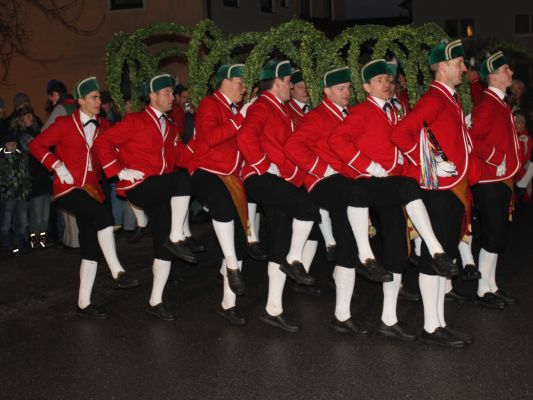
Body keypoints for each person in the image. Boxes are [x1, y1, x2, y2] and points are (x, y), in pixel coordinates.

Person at [329, 59, 459, 341]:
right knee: (409, 188)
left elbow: (416, 138)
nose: (386, 84)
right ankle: (436, 250)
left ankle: (388, 319)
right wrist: (367, 165)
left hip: (393, 187)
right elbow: (337, 140)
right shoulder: (361, 112)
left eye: (388, 80)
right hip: (371, 183)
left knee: (397, 252)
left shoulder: (398, 109)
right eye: (379, 81)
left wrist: (436, 160)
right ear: (366, 87)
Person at [286, 65, 394, 336]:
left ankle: (342, 316)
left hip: (347, 186)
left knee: (346, 243)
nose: (346, 92)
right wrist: (320, 169)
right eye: (340, 88)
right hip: (324, 183)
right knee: (356, 204)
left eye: (348, 88)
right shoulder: (316, 117)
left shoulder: (350, 114)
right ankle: (367, 257)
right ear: (326, 91)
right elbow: (293, 146)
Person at [30, 76, 140, 319]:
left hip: (93, 190)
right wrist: (57, 165)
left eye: (99, 97)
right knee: (104, 218)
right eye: (94, 97)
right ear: (80, 101)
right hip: (68, 188)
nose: (99, 101)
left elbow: (119, 147)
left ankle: (83, 304)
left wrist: (126, 168)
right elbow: (36, 145)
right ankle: (118, 272)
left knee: (90, 246)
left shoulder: (104, 126)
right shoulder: (63, 124)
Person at [392, 39, 477, 347]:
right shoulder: (434, 99)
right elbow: (400, 133)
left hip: (450, 188)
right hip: (437, 189)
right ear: (442, 66)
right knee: (433, 258)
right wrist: (429, 162)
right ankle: (431, 327)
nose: (464, 68)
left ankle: (439, 322)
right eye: (459, 63)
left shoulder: (448, 98)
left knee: (445, 256)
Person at [94, 73, 196, 321]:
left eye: (172, 92)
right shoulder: (135, 120)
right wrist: (118, 171)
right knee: (181, 181)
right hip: (140, 186)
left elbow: (182, 157)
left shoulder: (170, 125)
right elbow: (102, 143)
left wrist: (204, 154)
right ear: (152, 96)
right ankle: (177, 237)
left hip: (161, 190)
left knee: (162, 245)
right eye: (167, 93)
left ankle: (155, 301)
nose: (172, 97)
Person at [238, 60, 322, 332]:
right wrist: (263, 164)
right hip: (260, 178)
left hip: (278, 180)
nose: (290, 85)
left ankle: (273, 309)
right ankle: (294, 259)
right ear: (276, 82)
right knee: (308, 208)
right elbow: (245, 137)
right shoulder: (262, 106)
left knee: (281, 240)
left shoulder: (281, 108)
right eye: (287, 81)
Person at [187, 64, 248, 324]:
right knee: (222, 208)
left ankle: (228, 305)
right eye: (240, 82)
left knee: (240, 241)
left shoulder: (236, 108)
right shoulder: (209, 104)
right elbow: (211, 138)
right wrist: (241, 118)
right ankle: (231, 266)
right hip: (206, 171)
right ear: (225, 82)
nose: (244, 88)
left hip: (232, 177)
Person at [470, 51, 521, 309]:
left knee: (498, 235)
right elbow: (473, 138)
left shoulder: (499, 102)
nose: (510, 73)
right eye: (505, 70)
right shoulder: (487, 104)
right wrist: (495, 157)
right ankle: (482, 290)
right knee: (493, 236)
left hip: (500, 178)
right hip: (489, 181)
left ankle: (492, 286)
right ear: (492, 77)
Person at [9, 105, 52, 249]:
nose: (30, 117)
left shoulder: (36, 132)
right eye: (26, 115)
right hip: (33, 178)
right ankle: (35, 241)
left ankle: (42, 241)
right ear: (20, 119)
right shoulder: (21, 136)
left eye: (31, 114)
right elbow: (36, 151)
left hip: (44, 177)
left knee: (45, 215)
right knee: (36, 215)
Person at [0, 132, 31, 254]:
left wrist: (27, 189)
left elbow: (26, 175)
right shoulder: (2, 159)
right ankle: (6, 245)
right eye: (9, 143)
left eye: (14, 143)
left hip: (21, 195)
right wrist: (5, 191)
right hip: (7, 196)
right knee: (6, 224)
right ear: (5, 145)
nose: (12, 145)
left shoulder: (22, 157)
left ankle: (19, 245)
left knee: (23, 222)